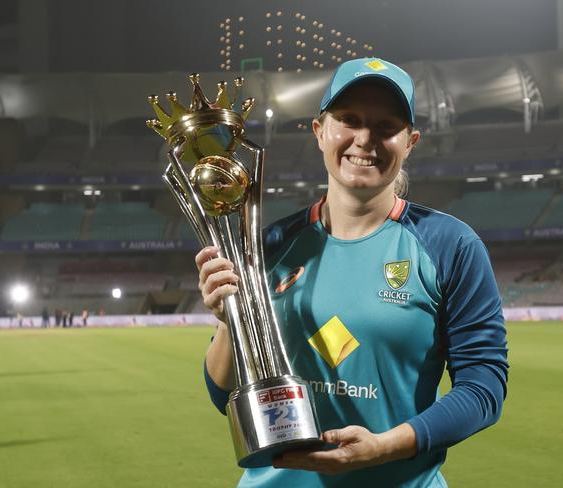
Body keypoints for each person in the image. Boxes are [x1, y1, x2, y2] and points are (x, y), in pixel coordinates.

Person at [197, 58, 508, 487]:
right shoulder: (266, 246)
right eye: (349, 120)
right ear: (319, 131)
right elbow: (223, 395)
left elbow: (484, 388)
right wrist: (229, 319)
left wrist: (384, 447)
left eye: (387, 126)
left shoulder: (450, 245)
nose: (365, 139)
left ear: (411, 141)